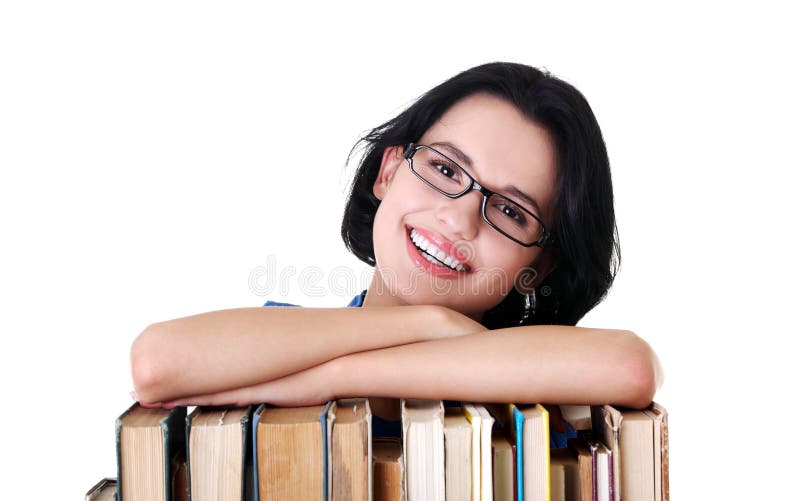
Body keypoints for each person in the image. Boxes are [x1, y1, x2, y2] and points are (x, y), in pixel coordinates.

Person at [130, 62, 662, 424]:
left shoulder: (540, 394)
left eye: (509, 210)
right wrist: (430, 325)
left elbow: (632, 367)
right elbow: (155, 364)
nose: (458, 219)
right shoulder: (281, 336)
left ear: (538, 268)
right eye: (445, 168)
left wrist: (337, 376)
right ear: (388, 172)